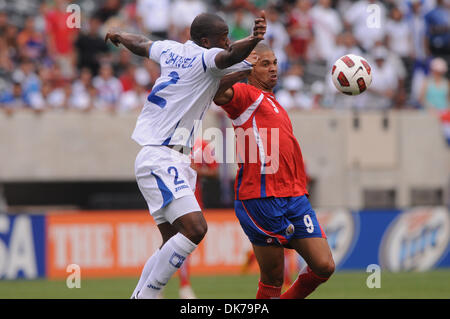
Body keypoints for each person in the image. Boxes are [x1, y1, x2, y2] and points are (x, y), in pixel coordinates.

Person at [105, 11, 266, 299]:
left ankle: (139, 296)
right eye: (223, 38)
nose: (227, 42)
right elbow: (226, 58)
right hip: (163, 155)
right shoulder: (206, 58)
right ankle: (149, 295)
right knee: (195, 228)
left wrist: (119, 35)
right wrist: (254, 39)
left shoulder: (172, 50)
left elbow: (141, 43)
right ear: (206, 41)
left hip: (164, 156)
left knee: (170, 240)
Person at [213, 43, 334, 299]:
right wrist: (240, 67)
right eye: (265, 64)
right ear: (250, 68)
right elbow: (218, 92)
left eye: (275, 63)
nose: (273, 69)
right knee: (273, 278)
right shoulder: (246, 95)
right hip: (260, 197)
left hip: (294, 197)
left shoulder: (275, 103)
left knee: (324, 265)